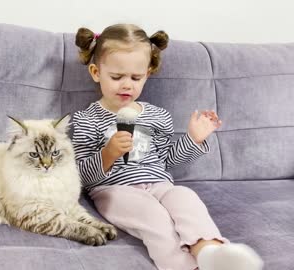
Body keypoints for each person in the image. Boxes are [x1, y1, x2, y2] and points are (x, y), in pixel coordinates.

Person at [72, 24, 263, 270]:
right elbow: (81, 176)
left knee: (186, 197)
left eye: (136, 77)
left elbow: (167, 160)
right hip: (115, 190)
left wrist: (194, 138)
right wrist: (108, 153)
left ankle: (210, 253)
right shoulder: (87, 119)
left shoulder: (158, 116)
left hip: (160, 184)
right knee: (153, 216)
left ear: (148, 74)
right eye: (117, 77)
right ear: (96, 72)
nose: (127, 85)